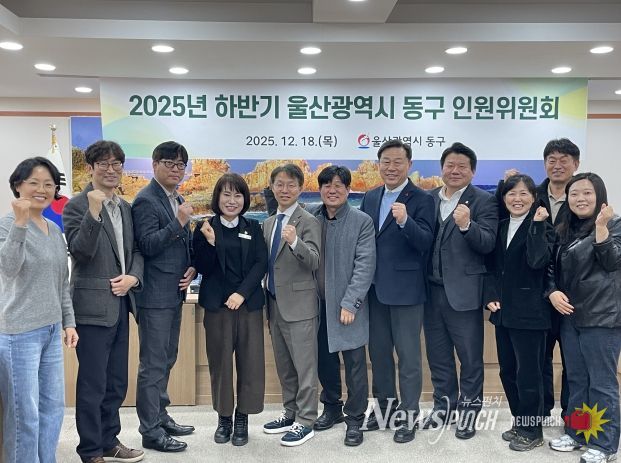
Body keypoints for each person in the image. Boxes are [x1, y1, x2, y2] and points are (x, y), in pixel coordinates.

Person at [63, 141, 145, 463]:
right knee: (93, 384)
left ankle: (109, 441)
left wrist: (133, 278)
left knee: (116, 383)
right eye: (103, 164)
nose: (111, 170)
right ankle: (90, 450)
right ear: (91, 168)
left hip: (121, 305)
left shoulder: (125, 206)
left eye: (116, 164)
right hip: (91, 309)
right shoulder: (76, 205)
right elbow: (80, 252)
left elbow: (135, 250)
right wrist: (94, 213)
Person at [0, 157, 78, 463]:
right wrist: (20, 223)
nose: (41, 189)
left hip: (50, 329)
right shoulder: (6, 225)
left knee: (53, 408)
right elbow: (9, 269)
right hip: (19, 333)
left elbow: (61, 281)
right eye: (33, 182)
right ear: (18, 185)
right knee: (25, 414)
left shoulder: (54, 230)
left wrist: (68, 322)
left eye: (48, 184)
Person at [359, 139, 435, 443]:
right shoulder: (370, 196)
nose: (391, 167)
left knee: (408, 357)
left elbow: (426, 242)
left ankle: (409, 415)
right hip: (374, 290)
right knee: (378, 355)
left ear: (409, 165)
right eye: (386, 162)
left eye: (397, 162)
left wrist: (405, 221)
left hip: (406, 291)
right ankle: (385, 410)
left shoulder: (422, 198)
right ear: (378, 165)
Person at [499, 138, 580, 418]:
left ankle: (572, 419)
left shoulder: (581, 195)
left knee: (574, 363)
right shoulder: (534, 194)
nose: (557, 165)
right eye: (551, 160)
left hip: (572, 296)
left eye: (564, 160)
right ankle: (539, 414)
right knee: (537, 360)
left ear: (575, 164)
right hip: (538, 294)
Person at [422, 142, 498, 439]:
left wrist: (467, 226)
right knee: (438, 357)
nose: (455, 171)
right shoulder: (428, 198)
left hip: (464, 293)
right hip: (430, 292)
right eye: (450, 165)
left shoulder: (484, 201)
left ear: (472, 171)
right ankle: (444, 407)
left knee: (470, 359)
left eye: (462, 166)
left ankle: (468, 413)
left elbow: (488, 243)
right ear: (442, 168)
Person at [547, 173, 621, 463]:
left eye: (587, 193)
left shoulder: (614, 224)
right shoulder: (565, 228)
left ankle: (604, 445)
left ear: (599, 195)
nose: (580, 199)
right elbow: (552, 268)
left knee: (601, 383)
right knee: (577, 379)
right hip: (570, 317)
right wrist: (552, 292)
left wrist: (601, 228)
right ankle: (578, 433)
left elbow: (612, 261)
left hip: (601, 318)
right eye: (574, 193)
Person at [193, 173, 267, 447]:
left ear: (244, 200)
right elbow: (202, 266)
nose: (232, 200)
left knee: (250, 364)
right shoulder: (204, 228)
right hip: (217, 307)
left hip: (248, 305)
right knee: (220, 363)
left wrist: (241, 293)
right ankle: (224, 418)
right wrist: (211, 243)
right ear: (217, 197)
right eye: (226, 194)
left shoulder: (253, 227)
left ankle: (242, 417)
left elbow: (261, 263)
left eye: (238, 195)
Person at [131, 141, 196, 452]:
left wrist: (193, 267)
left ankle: (160, 415)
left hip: (174, 293)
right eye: (169, 163)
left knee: (167, 358)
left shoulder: (176, 198)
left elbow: (181, 245)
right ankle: (150, 430)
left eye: (181, 164)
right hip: (154, 296)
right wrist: (179, 222)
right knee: (153, 364)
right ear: (154, 164)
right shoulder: (145, 200)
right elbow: (146, 245)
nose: (176, 169)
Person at [484, 174, 555, 451]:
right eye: (511, 193)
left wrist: (536, 225)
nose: (517, 199)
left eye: (524, 193)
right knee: (508, 372)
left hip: (531, 314)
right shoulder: (501, 227)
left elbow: (537, 261)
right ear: (503, 198)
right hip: (503, 313)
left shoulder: (543, 226)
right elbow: (491, 268)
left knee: (529, 375)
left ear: (534, 198)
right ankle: (520, 421)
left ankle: (532, 430)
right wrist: (490, 295)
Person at [308, 166, 376, 447]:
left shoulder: (362, 221)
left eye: (338, 185)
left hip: (347, 306)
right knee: (325, 360)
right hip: (317, 305)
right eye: (327, 185)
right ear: (320, 189)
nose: (332, 190)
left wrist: (351, 303)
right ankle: (332, 406)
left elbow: (365, 265)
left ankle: (355, 418)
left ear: (348, 190)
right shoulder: (311, 215)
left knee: (355, 363)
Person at [262, 163, 321, 447]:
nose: (285, 190)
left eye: (291, 185)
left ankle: (306, 420)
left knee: (305, 367)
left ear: (300, 188)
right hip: (274, 304)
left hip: (300, 306)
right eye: (280, 184)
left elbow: (314, 261)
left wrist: (296, 242)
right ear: (272, 187)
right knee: (285, 366)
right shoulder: (268, 223)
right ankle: (290, 412)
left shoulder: (308, 221)